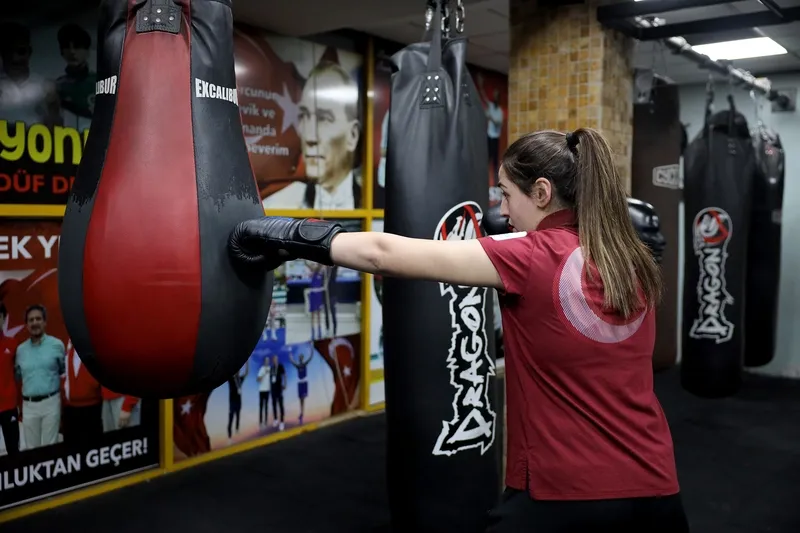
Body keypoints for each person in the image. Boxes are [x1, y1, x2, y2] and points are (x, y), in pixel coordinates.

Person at [230, 128, 689, 532]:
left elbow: (382, 255)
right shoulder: (632, 261)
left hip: (564, 494)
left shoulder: (531, 255)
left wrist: (283, 235)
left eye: (506, 194)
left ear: (542, 192)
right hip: (655, 487)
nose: (503, 210)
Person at [262, 60, 362, 210]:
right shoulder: (277, 205)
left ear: (352, 136)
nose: (309, 137)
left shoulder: (375, 202)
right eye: (304, 115)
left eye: (324, 118)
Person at [14, 305, 65, 449]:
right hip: (29, 406)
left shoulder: (57, 345)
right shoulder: (20, 351)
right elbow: (17, 376)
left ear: (45, 322)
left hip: (51, 402)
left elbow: (63, 370)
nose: (34, 323)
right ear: (26, 325)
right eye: (31, 320)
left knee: (50, 448)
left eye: (38, 319)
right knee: (32, 450)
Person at [0, 22, 62, 127]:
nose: (15, 58)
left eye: (21, 51)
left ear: (29, 52)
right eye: (9, 51)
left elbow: (57, 127)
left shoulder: (46, 87)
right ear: (2, 53)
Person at [0, 303, 20, 455]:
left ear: (3, 318)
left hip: (9, 407)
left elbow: (19, 373)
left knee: (13, 451)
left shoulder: (13, 344)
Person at [289, 348, 314, 424]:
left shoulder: (304, 364)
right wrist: (290, 354)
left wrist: (312, 348)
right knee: (300, 399)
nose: (300, 358)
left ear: (303, 358)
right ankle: (301, 413)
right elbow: (292, 361)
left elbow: (310, 357)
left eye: (301, 357)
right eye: (299, 357)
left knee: (303, 399)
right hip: (300, 383)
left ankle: (302, 413)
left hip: (304, 383)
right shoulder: (298, 365)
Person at [269, 354, 286, 431]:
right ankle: (275, 419)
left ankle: (282, 422)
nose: (275, 360)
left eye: (276, 359)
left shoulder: (280, 366)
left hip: (279, 388)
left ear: (277, 360)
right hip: (273, 389)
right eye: (274, 359)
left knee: (281, 405)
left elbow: (284, 375)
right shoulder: (271, 368)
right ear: (272, 360)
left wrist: (285, 384)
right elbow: (271, 379)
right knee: (274, 405)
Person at [256, 356, 271, 427]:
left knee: (266, 407)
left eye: (268, 360)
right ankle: (260, 422)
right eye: (266, 360)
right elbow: (258, 379)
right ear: (264, 361)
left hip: (267, 390)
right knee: (261, 407)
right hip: (262, 390)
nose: (267, 361)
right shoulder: (262, 369)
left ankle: (266, 422)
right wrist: (264, 373)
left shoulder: (270, 369)